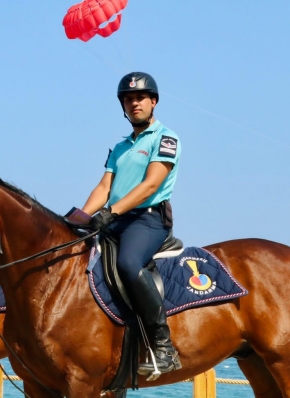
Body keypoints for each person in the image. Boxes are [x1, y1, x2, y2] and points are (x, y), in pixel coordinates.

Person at [80, 72, 182, 376]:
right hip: (115, 218)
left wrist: (112, 211)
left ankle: (164, 346)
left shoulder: (166, 139)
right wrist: (81, 218)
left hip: (147, 220)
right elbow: (103, 188)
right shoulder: (120, 147)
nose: (134, 103)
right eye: (128, 99)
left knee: (127, 263)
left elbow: (150, 185)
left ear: (154, 102)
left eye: (140, 98)